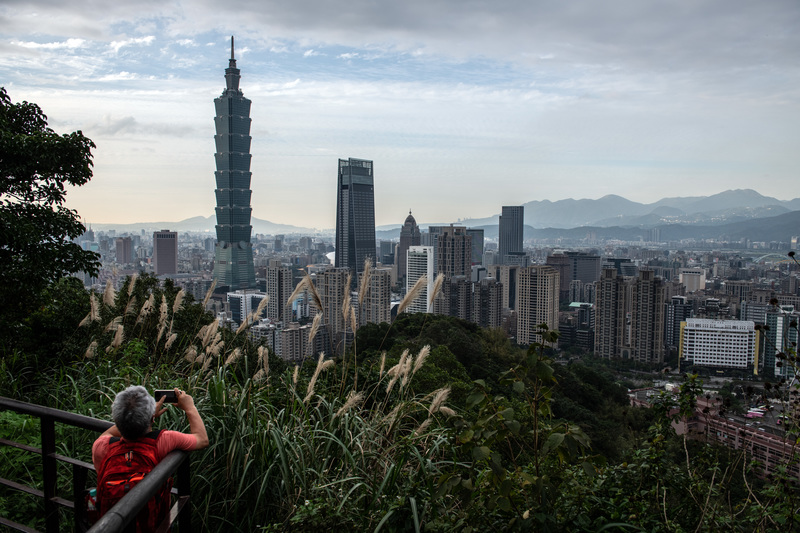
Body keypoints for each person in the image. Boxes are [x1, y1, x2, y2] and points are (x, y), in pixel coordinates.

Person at [91, 386, 209, 529]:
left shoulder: (102, 447)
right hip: (153, 524)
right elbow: (202, 439)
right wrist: (189, 407)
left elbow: (106, 434)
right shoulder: (163, 440)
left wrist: (144, 417)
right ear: (151, 419)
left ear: (116, 418)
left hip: (112, 525)